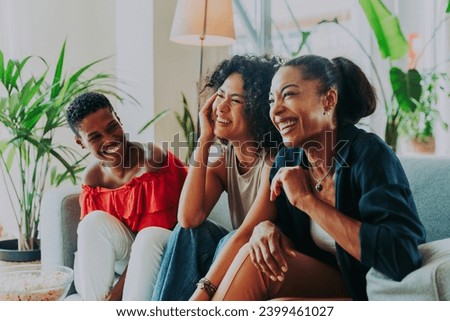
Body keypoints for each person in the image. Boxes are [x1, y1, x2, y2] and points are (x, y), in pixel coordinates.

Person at [206, 54, 427, 301]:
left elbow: (402, 255)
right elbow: (274, 235)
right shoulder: (288, 160)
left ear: (329, 100)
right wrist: (267, 230)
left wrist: (307, 200)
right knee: (262, 267)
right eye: (271, 100)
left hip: (370, 290)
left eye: (288, 95)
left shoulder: (368, 154)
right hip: (330, 284)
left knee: (259, 271)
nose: (276, 110)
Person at [152, 55, 283, 300]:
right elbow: (189, 219)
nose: (221, 107)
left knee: (233, 238)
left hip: (268, 257)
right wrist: (204, 139)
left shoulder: (274, 160)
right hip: (241, 250)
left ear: (258, 109)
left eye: (235, 100)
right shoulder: (223, 160)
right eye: (220, 95)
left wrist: (202, 292)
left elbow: (246, 233)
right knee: (188, 234)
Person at [66, 92, 187, 300]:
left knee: (148, 237)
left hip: (167, 251)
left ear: (119, 120)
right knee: (90, 223)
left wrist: (114, 297)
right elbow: (96, 244)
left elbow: (153, 239)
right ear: (81, 143)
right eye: (95, 137)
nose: (109, 140)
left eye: (112, 127)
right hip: (129, 257)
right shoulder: (93, 178)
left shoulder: (152, 163)